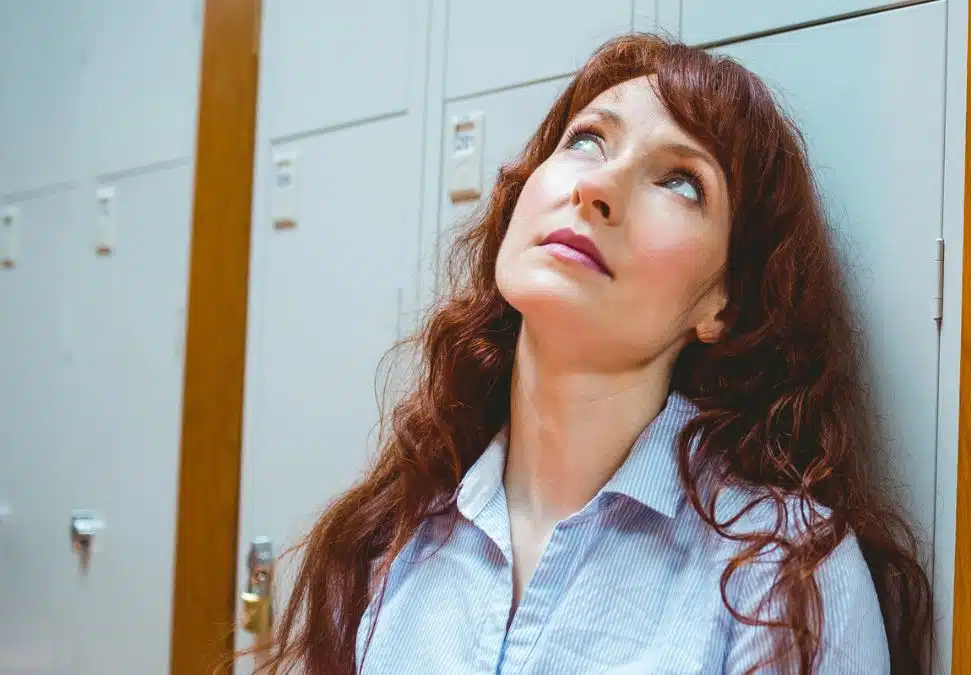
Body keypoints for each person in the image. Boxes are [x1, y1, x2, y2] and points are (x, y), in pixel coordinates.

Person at [254, 33, 932, 674]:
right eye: (587, 140)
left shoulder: (784, 569)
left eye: (682, 182)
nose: (598, 188)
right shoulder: (391, 540)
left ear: (721, 304)